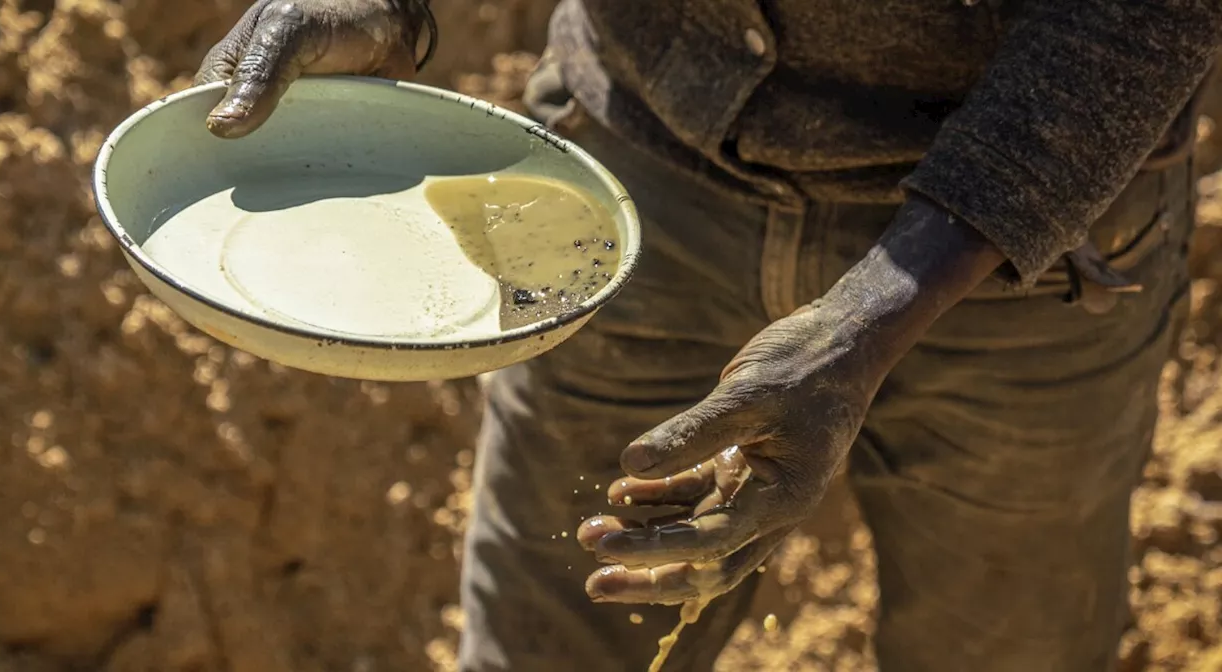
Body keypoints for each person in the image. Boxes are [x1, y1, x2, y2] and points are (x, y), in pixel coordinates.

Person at [195, 1, 1222, 670]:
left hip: (1021, 234)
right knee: (558, 639)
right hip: (628, 185)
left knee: (1003, 645)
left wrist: (867, 321)